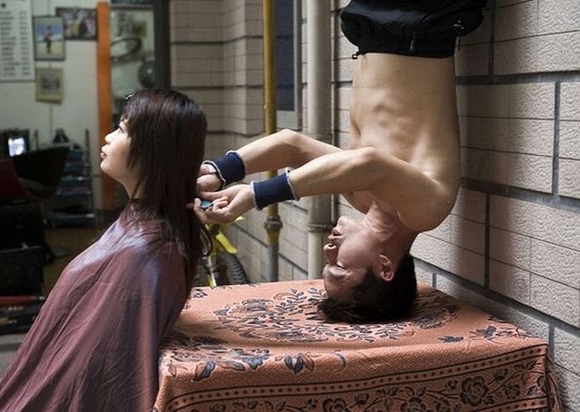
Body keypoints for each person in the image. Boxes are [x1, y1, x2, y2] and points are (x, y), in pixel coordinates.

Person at [193, 0, 488, 323]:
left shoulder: (361, 196)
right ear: (385, 267)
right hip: (418, 19)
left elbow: (292, 145)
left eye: (327, 263)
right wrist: (256, 195)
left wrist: (218, 172)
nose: (328, 250)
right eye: (338, 266)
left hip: (374, 28)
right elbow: (370, 164)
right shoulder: (424, 212)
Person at [0, 89, 208, 411]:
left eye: (122, 130)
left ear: (153, 149)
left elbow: (95, 369)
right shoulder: (148, 235)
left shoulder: (142, 255)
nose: (108, 137)